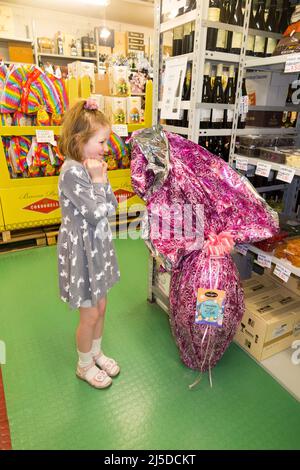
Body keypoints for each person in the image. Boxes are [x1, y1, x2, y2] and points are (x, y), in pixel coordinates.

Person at [57, 98, 120, 389]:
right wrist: (98, 180)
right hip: (82, 252)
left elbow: (111, 206)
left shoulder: (94, 167)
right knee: (90, 312)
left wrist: (100, 179)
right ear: (80, 140)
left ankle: (96, 353)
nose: (106, 149)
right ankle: (83, 365)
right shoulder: (71, 172)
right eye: (102, 142)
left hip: (98, 248)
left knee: (102, 305)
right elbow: (97, 212)